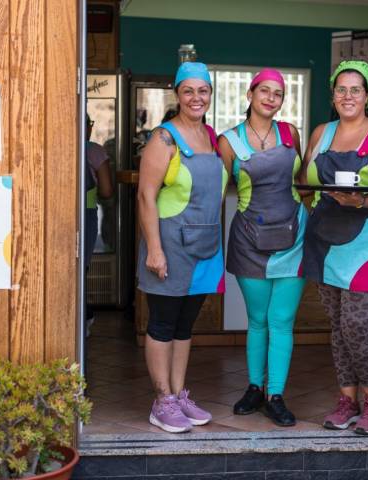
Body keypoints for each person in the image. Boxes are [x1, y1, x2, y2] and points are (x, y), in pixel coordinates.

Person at [300, 60, 368, 435]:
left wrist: (360, 202)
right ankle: (347, 401)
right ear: (333, 94)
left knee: (358, 325)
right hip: (327, 240)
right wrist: (315, 206)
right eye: (341, 89)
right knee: (337, 327)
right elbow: (303, 182)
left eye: (356, 90)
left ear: (367, 96)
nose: (348, 96)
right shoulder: (320, 133)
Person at [136, 62, 226, 434]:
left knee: (185, 325)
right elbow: (145, 195)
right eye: (188, 91)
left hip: (206, 245)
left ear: (210, 94)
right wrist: (154, 249)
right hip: (171, 245)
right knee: (162, 323)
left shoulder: (211, 137)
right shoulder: (164, 139)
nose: (196, 98)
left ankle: (178, 394)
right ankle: (162, 402)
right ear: (177, 94)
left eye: (202, 91)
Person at [218, 69, 306, 427]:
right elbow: (218, 190)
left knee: (281, 320)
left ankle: (276, 395)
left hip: (294, 238)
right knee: (257, 320)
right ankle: (254, 388)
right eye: (264, 91)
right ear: (250, 95)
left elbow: (301, 181)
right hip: (249, 241)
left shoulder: (291, 133)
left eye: (278, 93)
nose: (271, 98)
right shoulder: (229, 141)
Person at [85, 114, 114, 336]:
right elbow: (106, 190)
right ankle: (85, 316)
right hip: (86, 212)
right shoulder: (94, 151)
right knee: (82, 268)